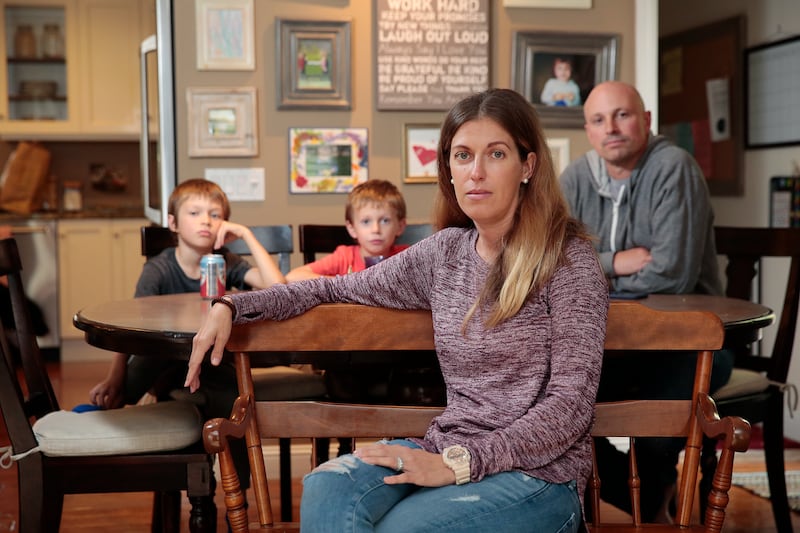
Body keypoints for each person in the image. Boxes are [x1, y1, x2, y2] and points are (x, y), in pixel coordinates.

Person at [185, 88, 609, 532]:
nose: (477, 172)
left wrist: (458, 465)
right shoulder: (443, 253)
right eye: (463, 155)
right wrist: (231, 303)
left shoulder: (568, 260)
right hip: (449, 446)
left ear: (528, 165)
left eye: (496, 154)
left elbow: (570, 407)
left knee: (402, 527)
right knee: (327, 489)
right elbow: (331, 289)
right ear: (448, 168)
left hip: (541, 476)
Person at [559, 80, 733, 522]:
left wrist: (591, 271)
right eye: (599, 119)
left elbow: (672, 273)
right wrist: (617, 262)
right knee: (557, 403)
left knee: (659, 429)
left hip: (691, 345)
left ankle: (650, 498)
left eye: (623, 115)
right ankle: (645, 494)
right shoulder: (576, 177)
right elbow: (555, 264)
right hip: (610, 343)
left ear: (647, 120)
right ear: (587, 129)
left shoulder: (674, 167)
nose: (611, 128)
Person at [88, 178, 285, 493]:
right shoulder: (159, 269)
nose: (206, 220)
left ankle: (239, 496)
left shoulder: (226, 263)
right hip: (165, 364)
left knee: (236, 406)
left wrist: (246, 234)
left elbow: (279, 289)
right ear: (173, 223)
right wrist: (115, 377)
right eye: (194, 213)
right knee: (139, 367)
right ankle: (96, 425)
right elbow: (132, 328)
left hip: (215, 362)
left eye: (215, 214)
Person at [286, 179, 409, 282]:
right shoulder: (345, 257)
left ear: (400, 226)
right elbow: (293, 277)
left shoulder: (407, 257)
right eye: (366, 221)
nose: (375, 230)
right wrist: (345, 283)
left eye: (385, 221)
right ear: (352, 229)